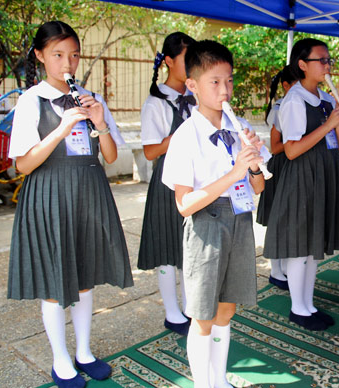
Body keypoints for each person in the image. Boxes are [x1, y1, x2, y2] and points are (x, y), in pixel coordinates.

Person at [7, 21, 133, 388]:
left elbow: (109, 157)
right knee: (53, 279)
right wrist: (62, 128)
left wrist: (99, 122)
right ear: (40, 56)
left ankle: (84, 351)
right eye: (59, 54)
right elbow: (23, 165)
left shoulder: (91, 97)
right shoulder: (31, 100)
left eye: (74, 55)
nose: (68, 63)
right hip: (48, 195)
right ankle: (60, 358)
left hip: (89, 193)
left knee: (85, 277)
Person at [161, 39, 268, 388]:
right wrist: (234, 174)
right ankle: (202, 383)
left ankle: (219, 378)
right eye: (215, 82)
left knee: (227, 309)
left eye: (230, 81)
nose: (225, 90)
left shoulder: (237, 130)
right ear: (192, 85)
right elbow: (184, 205)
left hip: (239, 221)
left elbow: (257, 189)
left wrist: (252, 163)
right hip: (206, 228)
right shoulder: (185, 136)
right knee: (204, 316)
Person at [263, 38, 339, 331]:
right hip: (302, 176)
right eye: (321, 61)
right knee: (302, 246)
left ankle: (309, 304)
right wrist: (328, 124)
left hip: (324, 172)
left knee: (315, 245)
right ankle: (298, 308)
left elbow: (336, 144)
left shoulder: (324, 98)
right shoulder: (294, 101)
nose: (327, 66)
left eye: (329, 61)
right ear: (302, 65)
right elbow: (291, 150)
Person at [138, 32, 196, 336]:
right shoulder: (156, 103)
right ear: (169, 61)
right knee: (166, 249)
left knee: (189, 248)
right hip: (166, 183)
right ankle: (173, 314)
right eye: (188, 59)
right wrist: (179, 136)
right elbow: (150, 151)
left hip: (195, 181)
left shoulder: (195, 98)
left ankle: (190, 307)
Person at [256, 65, 297, 290]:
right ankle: (275, 270)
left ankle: (284, 269)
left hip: (294, 164)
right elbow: (275, 146)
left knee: (289, 219)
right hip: (282, 166)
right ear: (286, 86)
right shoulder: (281, 107)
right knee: (277, 218)